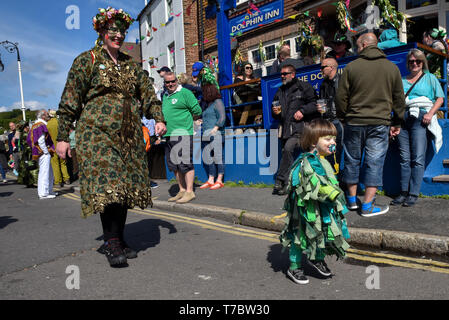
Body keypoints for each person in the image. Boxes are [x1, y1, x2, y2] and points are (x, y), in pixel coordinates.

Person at [56, 7, 167, 267]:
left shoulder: (131, 65)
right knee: (110, 187)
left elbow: (148, 94)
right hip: (97, 134)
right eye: (112, 30)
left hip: (129, 136)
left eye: (121, 31)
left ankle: (118, 237)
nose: (118, 35)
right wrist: (62, 136)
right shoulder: (87, 60)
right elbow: (70, 99)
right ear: (102, 31)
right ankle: (112, 241)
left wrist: (158, 117)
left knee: (125, 188)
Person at [336, 32, 406, 217]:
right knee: (374, 162)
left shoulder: (351, 67)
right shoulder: (391, 68)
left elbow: (340, 97)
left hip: (354, 121)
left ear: (364, 45)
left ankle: (351, 201)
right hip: (379, 122)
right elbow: (399, 98)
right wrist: (397, 121)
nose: (357, 49)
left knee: (351, 159)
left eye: (358, 46)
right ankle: (367, 205)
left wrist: (343, 117)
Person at [279, 118, 350, 285]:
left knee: (321, 233)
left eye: (334, 139)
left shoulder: (324, 160)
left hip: (321, 208)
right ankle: (294, 266)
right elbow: (314, 185)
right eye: (327, 139)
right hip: (305, 210)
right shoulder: (307, 162)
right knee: (299, 237)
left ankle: (316, 258)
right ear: (313, 141)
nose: (333, 142)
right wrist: (333, 194)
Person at [391, 49, 444, 207]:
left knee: (418, 158)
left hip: (421, 118)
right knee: (404, 158)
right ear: (407, 63)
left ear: (422, 63)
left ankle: (413, 193)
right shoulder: (401, 80)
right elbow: (395, 102)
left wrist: (430, 113)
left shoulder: (430, 78)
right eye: (411, 61)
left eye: (418, 61)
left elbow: (440, 98)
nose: (414, 63)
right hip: (403, 118)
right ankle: (403, 192)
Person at [271, 64, 318, 195]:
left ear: (293, 74)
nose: (282, 76)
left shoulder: (304, 87)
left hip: (302, 128)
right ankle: (292, 183)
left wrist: (303, 111)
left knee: (288, 148)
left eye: (285, 74)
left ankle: (282, 181)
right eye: (281, 74)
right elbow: (274, 111)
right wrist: (274, 112)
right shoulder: (280, 91)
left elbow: (315, 104)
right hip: (286, 129)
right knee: (287, 153)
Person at [162, 72, 202, 203]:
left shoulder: (185, 93)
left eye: (172, 81)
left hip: (183, 133)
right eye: (167, 82)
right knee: (174, 165)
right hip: (169, 134)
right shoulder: (165, 96)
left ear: (176, 81)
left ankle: (190, 192)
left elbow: (197, 110)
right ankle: (182, 190)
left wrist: (187, 122)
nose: (170, 84)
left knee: (185, 163)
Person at [198, 83, 226, 190]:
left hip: (216, 134)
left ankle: (219, 180)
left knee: (218, 157)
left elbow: (222, 117)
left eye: (204, 92)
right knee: (208, 158)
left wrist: (215, 129)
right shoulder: (207, 104)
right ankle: (210, 179)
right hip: (206, 134)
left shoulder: (218, 102)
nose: (202, 95)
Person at [318, 57, 344, 174]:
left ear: (332, 67)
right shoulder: (324, 84)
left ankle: (342, 179)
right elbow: (322, 101)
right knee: (329, 152)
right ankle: (333, 178)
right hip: (328, 122)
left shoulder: (342, 81)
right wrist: (320, 109)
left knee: (341, 150)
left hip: (340, 121)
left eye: (323, 67)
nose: (321, 70)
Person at [28, 110, 57, 199]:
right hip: (43, 153)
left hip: (41, 152)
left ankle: (48, 190)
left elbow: (29, 140)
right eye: (47, 114)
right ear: (43, 116)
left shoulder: (35, 125)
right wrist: (46, 151)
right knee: (44, 172)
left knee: (48, 172)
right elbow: (40, 141)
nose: (48, 116)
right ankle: (44, 193)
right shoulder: (41, 125)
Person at [47, 110, 71, 186]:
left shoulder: (48, 124)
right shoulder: (60, 122)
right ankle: (66, 178)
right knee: (63, 163)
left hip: (53, 146)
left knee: (55, 164)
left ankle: (58, 181)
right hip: (62, 145)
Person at [17, 121, 38, 187]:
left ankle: (28, 182)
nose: (28, 127)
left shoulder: (22, 133)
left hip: (26, 152)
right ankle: (31, 182)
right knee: (31, 166)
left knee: (26, 167)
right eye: (27, 126)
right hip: (29, 152)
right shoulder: (25, 134)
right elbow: (30, 142)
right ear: (25, 127)